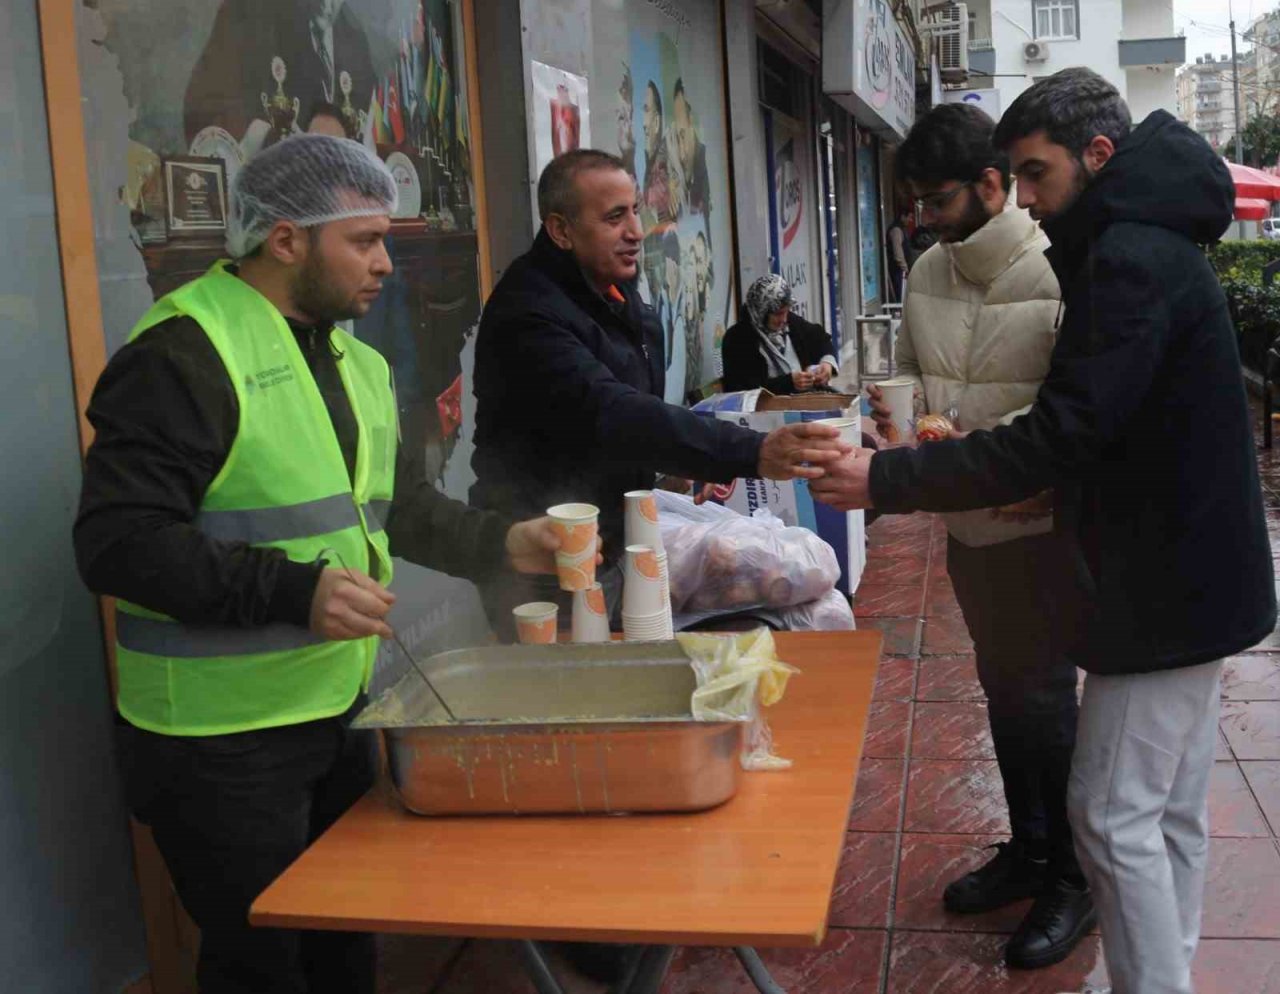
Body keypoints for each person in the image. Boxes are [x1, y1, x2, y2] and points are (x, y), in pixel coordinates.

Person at [809, 68, 1276, 994]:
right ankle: (1155, 972)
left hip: (1161, 584)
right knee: (1162, 810)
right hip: (1178, 571)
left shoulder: (1125, 258)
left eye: (1035, 174)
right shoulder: (1131, 241)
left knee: (1107, 816)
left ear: (1098, 157)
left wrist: (889, 479)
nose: (1023, 196)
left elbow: (1065, 429)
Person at [74, 136, 577, 994]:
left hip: (337, 711)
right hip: (218, 747)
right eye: (364, 240)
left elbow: (396, 508)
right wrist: (292, 590)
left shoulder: (358, 362)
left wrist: (500, 540)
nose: (386, 263)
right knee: (261, 965)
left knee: (346, 943)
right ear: (285, 240)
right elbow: (118, 542)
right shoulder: (182, 356)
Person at [872, 102, 1087, 970]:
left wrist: (988, 451)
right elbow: (921, 370)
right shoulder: (928, 268)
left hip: (1036, 526)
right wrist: (907, 413)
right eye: (914, 201)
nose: (923, 216)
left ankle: (1075, 877)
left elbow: (1072, 410)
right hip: (965, 522)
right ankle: (1028, 850)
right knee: (1003, 694)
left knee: (1045, 703)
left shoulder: (1055, 268)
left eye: (937, 197)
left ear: (993, 185)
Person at [470, 149, 847, 637]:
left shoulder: (612, 293)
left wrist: (675, 471)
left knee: (815, 589)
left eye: (634, 211)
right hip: (554, 560)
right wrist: (751, 450)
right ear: (561, 230)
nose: (635, 231)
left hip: (623, 526)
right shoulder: (530, 315)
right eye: (614, 217)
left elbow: (626, 423)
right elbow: (611, 412)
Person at [721, 274, 838, 395]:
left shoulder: (791, 323)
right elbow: (743, 388)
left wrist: (826, 363)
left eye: (787, 311)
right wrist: (789, 383)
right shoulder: (737, 340)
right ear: (762, 313)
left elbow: (820, 338)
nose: (784, 319)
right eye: (778, 314)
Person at [885, 205, 912, 302]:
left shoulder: (901, 229)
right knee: (900, 297)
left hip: (900, 271)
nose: (910, 220)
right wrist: (905, 268)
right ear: (902, 216)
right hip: (898, 271)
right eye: (909, 217)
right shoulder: (896, 230)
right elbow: (898, 252)